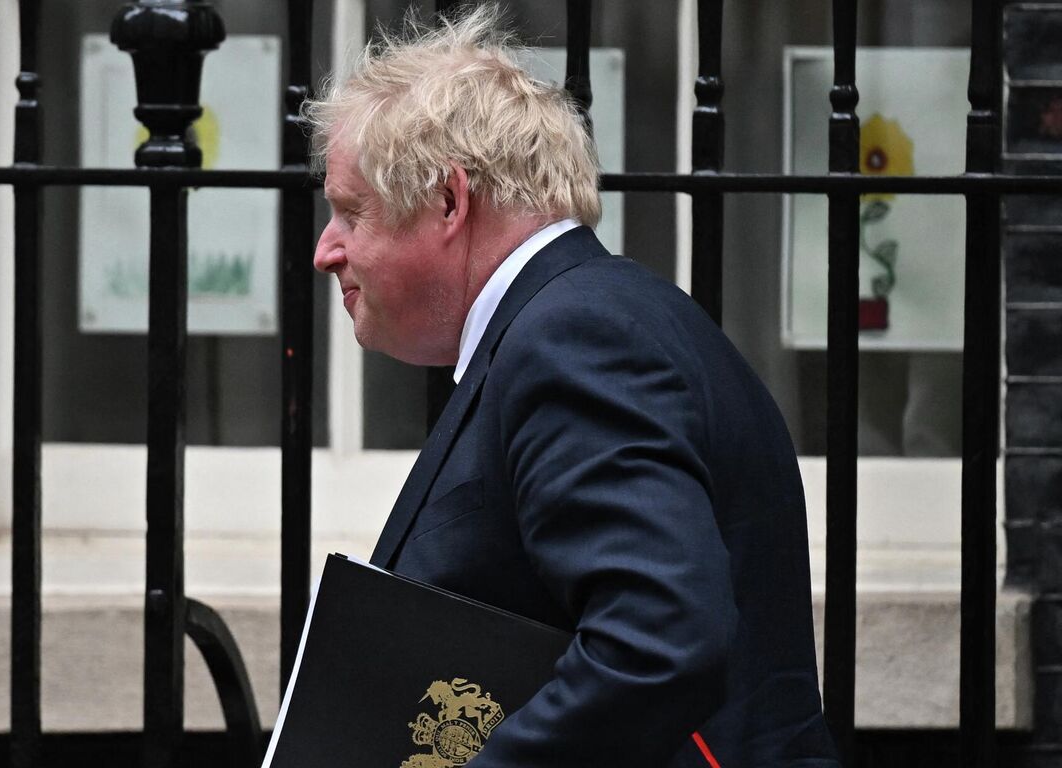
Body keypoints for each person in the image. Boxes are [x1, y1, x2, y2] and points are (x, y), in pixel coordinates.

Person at [304, 5, 841, 767]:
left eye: (349, 212)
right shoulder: (594, 319)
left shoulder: (573, 341)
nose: (328, 250)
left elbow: (658, 642)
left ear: (450, 201)